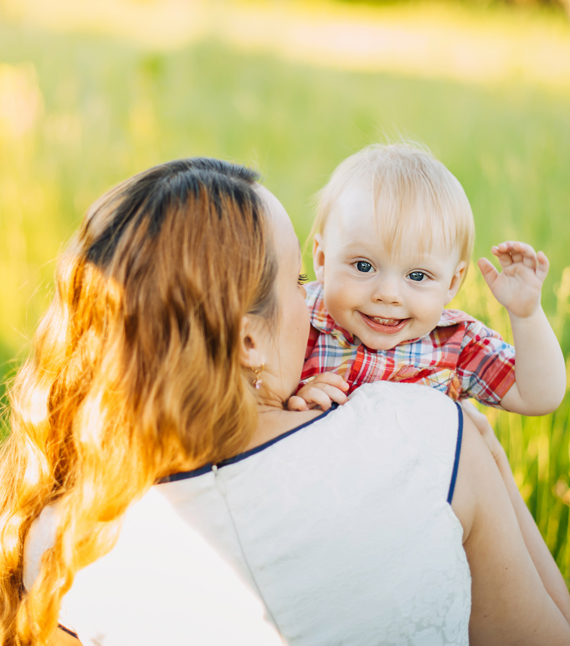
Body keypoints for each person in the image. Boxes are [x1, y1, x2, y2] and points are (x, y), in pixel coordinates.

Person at [0, 158, 568, 645]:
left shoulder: (58, 542)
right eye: (299, 279)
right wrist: (482, 452)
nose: (320, 302)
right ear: (248, 339)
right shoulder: (422, 436)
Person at [291, 144, 566, 416]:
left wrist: (526, 316)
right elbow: (253, 390)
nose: (388, 294)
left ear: (452, 283)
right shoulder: (298, 319)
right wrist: (294, 398)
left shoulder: (456, 343)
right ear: (323, 260)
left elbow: (537, 397)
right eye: (364, 266)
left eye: (417, 275)